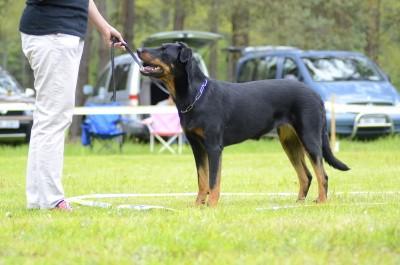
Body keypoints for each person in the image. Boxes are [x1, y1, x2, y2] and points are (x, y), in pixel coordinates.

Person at [19, 0, 125, 211]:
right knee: (53, 119)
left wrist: (104, 27)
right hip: (52, 34)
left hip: (63, 34)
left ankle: (39, 199)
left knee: (48, 119)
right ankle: (51, 200)